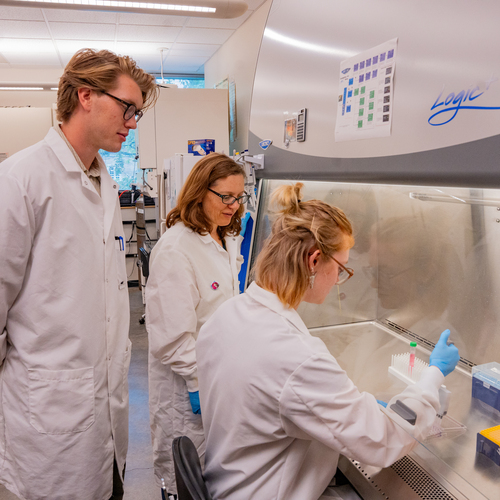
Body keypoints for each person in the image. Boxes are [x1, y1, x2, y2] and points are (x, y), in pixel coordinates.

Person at [196, 182, 460, 500]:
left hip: (232, 482)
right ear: (314, 261)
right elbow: (383, 441)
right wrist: (432, 377)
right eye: (341, 268)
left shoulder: (228, 314)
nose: (339, 279)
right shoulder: (294, 356)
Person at [0, 49, 158, 500]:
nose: (132, 121)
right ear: (85, 95)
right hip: (46, 411)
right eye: (127, 107)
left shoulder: (103, 181)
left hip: (104, 407)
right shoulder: (21, 180)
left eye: (138, 113)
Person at [146, 153, 248, 499]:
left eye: (239, 197)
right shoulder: (176, 250)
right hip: (188, 393)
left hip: (219, 380)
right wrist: (198, 382)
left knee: (215, 481)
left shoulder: (222, 239)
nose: (234, 205)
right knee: (188, 483)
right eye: (226, 197)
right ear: (200, 192)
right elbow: (172, 340)